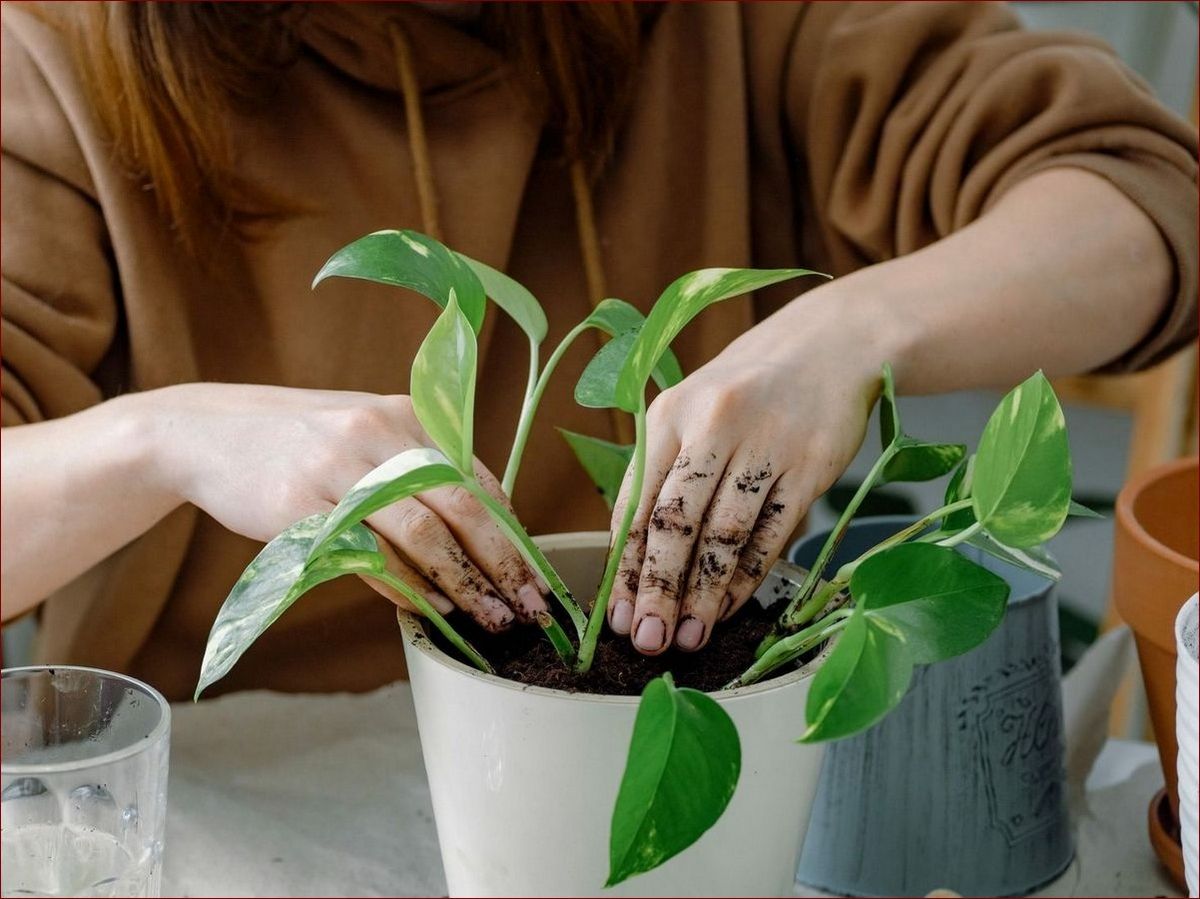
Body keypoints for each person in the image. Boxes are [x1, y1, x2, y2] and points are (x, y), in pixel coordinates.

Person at [1, 2, 1195, 700]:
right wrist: (160, 436)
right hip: (227, 795)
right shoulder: (58, 52)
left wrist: (851, 331)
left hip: (654, 743)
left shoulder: (727, 27)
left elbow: (1142, 192)